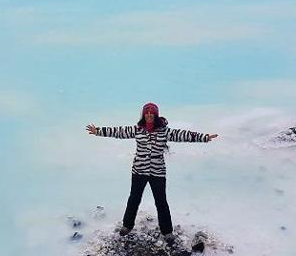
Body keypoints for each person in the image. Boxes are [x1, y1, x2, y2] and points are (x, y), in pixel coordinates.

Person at [86, 102, 218, 244]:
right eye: (147, 113)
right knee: (134, 199)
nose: (149, 115)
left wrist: (204, 137)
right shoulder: (137, 129)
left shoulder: (164, 131)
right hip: (139, 170)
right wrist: (98, 131)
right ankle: (127, 226)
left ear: (156, 115)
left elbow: (183, 135)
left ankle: (167, 232)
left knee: (161, 202)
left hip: (158, 171)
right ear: (143, 115)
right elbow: (119, 132)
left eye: (152, 113)